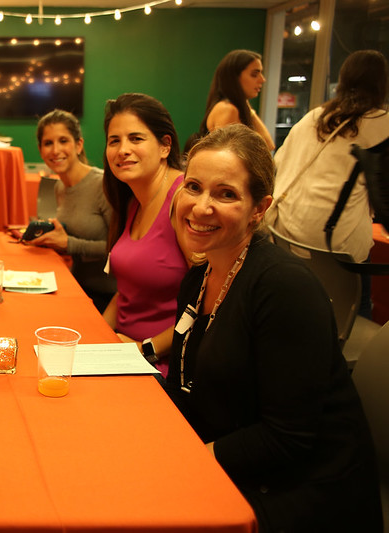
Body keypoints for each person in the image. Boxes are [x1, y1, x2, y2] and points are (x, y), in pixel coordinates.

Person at [167, 124, 382, 532]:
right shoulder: (199, 278)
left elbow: (288, 437)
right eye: (193, 186)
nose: (200, 206)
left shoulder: (284, 288)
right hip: (232, 457)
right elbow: (186, 385)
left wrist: (190, 461)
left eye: (226, 193)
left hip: (300, 492)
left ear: (259, 208)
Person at [268, 49, 389, 264]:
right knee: (359, 292)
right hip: (337, 246)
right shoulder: (381, 123)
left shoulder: (315, 116)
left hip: (284, 234)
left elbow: (277, 162)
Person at [101, 93, 189, 377]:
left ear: (165, 146)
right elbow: (126, 293)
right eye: (114, 141)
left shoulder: (183, 198)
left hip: (163, 362)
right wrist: (98, 338)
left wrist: (143, 349)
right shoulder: (132, 200)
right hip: (124, 351)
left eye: (136, 139)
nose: (122, 150)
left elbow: (206, 304)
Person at [29, 109, 116, 311]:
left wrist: (68, 243)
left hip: (107, 298)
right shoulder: (60, 188)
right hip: (75, 286)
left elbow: (120, 251)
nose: (55, 150)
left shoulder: (103, 185)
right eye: (48, 143)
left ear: (78, 145)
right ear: (41, 150)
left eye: (63, 141)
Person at [196, 49, 275, 152]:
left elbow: (269, 145)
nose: (262, 79)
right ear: (234, 78)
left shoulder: (234, 108)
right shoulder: (227, 109)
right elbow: (226, 157)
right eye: (254, 74)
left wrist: (246, 105)